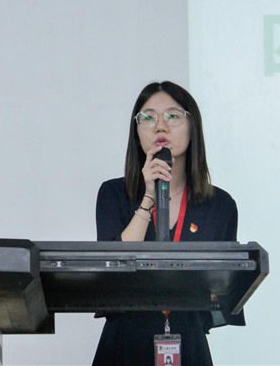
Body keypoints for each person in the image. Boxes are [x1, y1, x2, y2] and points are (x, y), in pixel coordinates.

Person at [92, 81, 244, 366]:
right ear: (137, 132)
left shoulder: (219, 205)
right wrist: (149, 197)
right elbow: (112, 271)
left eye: (173, 116)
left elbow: (219, 288)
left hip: (189, 338)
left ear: (193, 127)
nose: (160, 126)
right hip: (125, 340)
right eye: (148, 117)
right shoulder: (113, 194)